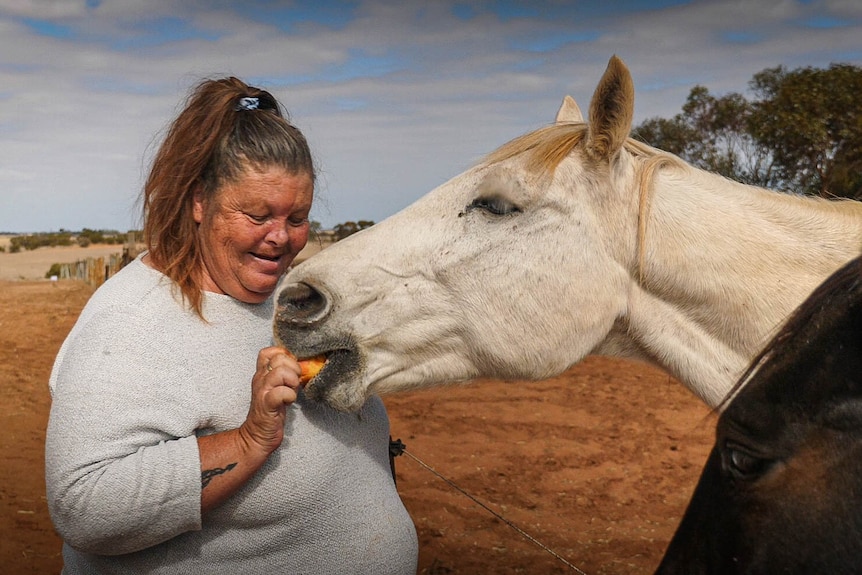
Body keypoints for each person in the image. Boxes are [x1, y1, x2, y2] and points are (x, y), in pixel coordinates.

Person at [45, 77, 418, 574]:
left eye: (299, 217)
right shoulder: (130, 322)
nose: (281, 239)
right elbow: (84, 505)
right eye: (257, 215)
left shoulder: (291, 301)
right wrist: (250, 439)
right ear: (200, 201)